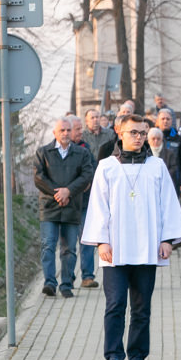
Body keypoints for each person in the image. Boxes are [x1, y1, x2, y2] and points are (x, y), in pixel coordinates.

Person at [82, 114, 181, 360]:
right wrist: (101, 242)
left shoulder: (157, 166)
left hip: (147, 247)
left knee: (142, 307)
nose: (139, 137)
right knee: (115, 304)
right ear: (120, 133)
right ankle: (114, 357)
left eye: (142, 133)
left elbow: (168, 204)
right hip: (115, 249)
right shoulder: (107, 166)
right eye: (133, 132)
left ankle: (138, 357)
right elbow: (98, 206)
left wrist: (167, 239)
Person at [34, 119, 94, 298]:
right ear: (55, 132)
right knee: (48, 245)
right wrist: (57, 194)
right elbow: (38, 177)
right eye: (62, 130)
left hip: (72, 205)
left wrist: (69, 191)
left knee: (69, 249)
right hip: (49, 206)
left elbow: (87, 174)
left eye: (69, 130)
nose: (66, 133)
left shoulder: (82, 153)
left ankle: (66, 284)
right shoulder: (43, 152)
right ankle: (50, 283)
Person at [68, 116, 100, 289]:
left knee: (86, 240)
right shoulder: (59, 150)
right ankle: (69, 277)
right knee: (69, 243)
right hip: (67, 204)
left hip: (85, 203)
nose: (81, 132)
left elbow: (93, 170)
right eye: (77, 129)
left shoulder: (85, 148)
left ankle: (87, 276)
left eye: (81, 129)